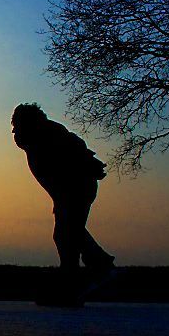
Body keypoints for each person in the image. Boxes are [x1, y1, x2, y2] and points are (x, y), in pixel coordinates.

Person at [11, 103, 114, 287]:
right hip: (67, 191)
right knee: (69, 231)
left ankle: (80, 272)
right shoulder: (39, 137)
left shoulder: (48, 134)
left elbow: (75, 152)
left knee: (67, 232)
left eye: (16, 124)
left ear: (28, 122)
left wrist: (90, 166)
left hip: (77, 187)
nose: (13, 130)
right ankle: (92, 264)